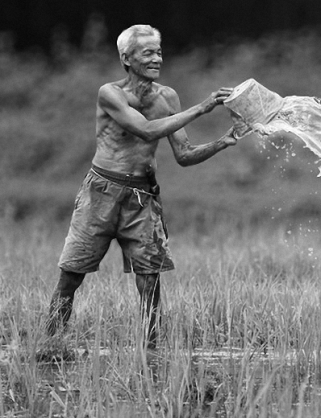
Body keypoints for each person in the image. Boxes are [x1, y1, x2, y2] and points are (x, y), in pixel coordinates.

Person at [44, 24, 237, 350]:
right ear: (126, 58)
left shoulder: (168, 97)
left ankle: (151, 354)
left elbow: (185, 155)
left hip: (143, 198)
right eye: (148, 52)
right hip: (102, 193)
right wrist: (202, 108)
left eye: (159, 51)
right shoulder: (111, 94)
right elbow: (146, 130)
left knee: (150, 281)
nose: (156, 58)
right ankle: (49, 347)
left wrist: (223, 142)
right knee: (71, 276)